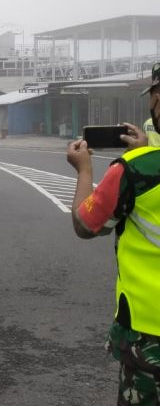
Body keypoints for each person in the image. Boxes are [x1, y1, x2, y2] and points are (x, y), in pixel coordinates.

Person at [66, 66, 160, 405]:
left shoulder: (136, 170)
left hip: (151, 335)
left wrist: (84, 170)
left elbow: (85, 224)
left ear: (157, 102)